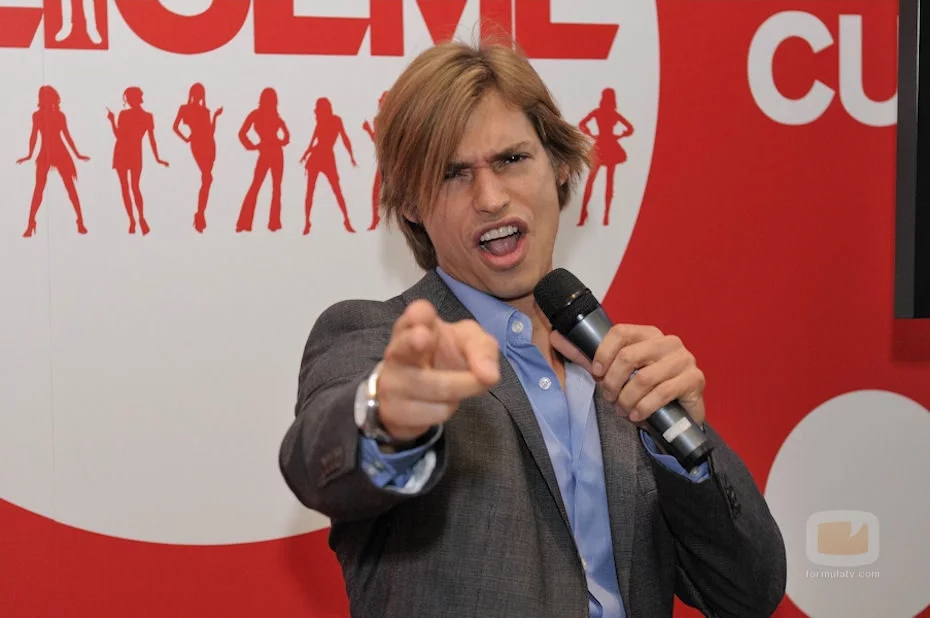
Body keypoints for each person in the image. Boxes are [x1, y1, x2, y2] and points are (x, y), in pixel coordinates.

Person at [279, 40, 786, 618]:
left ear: (560, 166)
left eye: (512, 160)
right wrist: (388, 415)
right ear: (412, 204)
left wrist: (680, 442)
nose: (490, 198)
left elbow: (749, 590)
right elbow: (317, 462)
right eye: (451, 174)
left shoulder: (623, 369)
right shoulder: (378, 339)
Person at [17, 85, 90, 237]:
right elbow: (34, 136)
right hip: (45, 153)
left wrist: (77, 154)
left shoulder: (59, 116)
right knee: (39, 189)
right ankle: (31, 223)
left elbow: (67, 136)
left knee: (70, 188)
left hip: (60, 152)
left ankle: (80, 221)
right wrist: (29, 155)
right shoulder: (37, 116)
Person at [107, 87, 169, 236]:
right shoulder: (144, 116)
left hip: (127, 152)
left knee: (130, 187)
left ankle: (137, 219)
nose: (128, 101)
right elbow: (150, 139)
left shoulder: (132, 115)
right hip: (129, 153)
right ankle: (135, 219)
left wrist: (111, 120)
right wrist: (157, 158)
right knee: (131, 187)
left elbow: (119, 135)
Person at [299, 97, 357, 234]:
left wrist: (351, 156)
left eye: (318, 110)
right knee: (310, 191)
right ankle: (307, 223)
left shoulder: (336, 120)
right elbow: (313, 142)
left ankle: (346, 220)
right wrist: (305, 155)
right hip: (316, 158)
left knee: (336, 189)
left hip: (327, 158)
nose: (316, 113)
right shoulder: (321, 122)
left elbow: (344, 138)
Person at [578, 87, 635, 227]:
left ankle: (585, 213)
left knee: (591, 180)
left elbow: (582, 124)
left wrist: (592, 134)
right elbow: (629, 128)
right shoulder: (613, 114)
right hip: (609, 145)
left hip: (602, 144)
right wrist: (619, 135)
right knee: (608, 181)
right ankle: (606, 216)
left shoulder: (598, 112)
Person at [236, 88, 289, 233]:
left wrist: (253, 146)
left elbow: (286, 136)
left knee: (270, 187)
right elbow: (242, 134)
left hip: (271, 152)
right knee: (263, 186)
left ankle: (257, 223)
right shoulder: (261, 115)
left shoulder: (267, 115)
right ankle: (261, 223)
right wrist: (252, 146)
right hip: (270, 152)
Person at [173, 83, 222, 233]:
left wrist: (215, 117)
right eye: (197, 93)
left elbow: (210, 131)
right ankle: (200, 213)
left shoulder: (205, 111)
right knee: (207, 177)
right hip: (198, 143)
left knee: (207, 179)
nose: (199, 97)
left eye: (201, 94)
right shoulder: (184, 108)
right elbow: (175, 127)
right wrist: (186, 138)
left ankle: (201, 213)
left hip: (209, 143)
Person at [361, 91, 387, 231]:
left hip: (396, 164)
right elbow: (378, 142)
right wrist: (368, 130)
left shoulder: (399, 120)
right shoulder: (377, 121)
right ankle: (375, 219)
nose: (380, 104)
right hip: (384, 163)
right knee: (376, 192)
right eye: (381, 101)